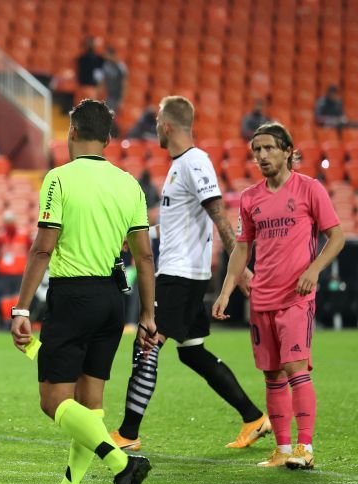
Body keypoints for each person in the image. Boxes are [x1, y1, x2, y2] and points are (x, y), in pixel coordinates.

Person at [10, 99, 157, 484]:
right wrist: (147, 314)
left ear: (71, 133)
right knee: (90, 406)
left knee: (54, 401)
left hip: (72, 297)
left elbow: (43, 246)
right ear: (109, 139)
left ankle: (122, 465)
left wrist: (21, 310)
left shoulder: (59, 179)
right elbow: (144, 258)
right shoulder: (129, 184)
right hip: (114, 300)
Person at [111, 95, 271, 453]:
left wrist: (240, 267)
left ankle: (127, 432)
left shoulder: (194, 161)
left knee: (147, 344)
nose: (155, 130)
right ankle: (253, 417)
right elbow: (181, 218)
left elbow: (217, 211)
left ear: (167, 126)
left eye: (157, 124)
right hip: (182, 272)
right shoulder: (180, 165)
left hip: (179, 275)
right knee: (192, 352)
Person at [213, 122, 344, 469]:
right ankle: (283, 450)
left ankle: (305, 447)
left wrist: (313, 270)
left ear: (288, 151)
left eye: (269, 148)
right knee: (271, 375)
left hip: (296, 296)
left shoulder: (309, 189)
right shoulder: (250, 198)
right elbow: (242, 249)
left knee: (295, 367)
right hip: (261, 299)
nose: (262, 155)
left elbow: (338, 237)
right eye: (257, 150)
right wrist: (227, 290)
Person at [101, 47, 128, 113]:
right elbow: (103, 81)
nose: (106, 57)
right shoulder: (106, 65)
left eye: (107, 55)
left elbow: (124, 84)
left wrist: (122, 100)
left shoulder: (121, 67)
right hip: (109, 96)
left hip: (117, 97)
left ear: (112, 55)